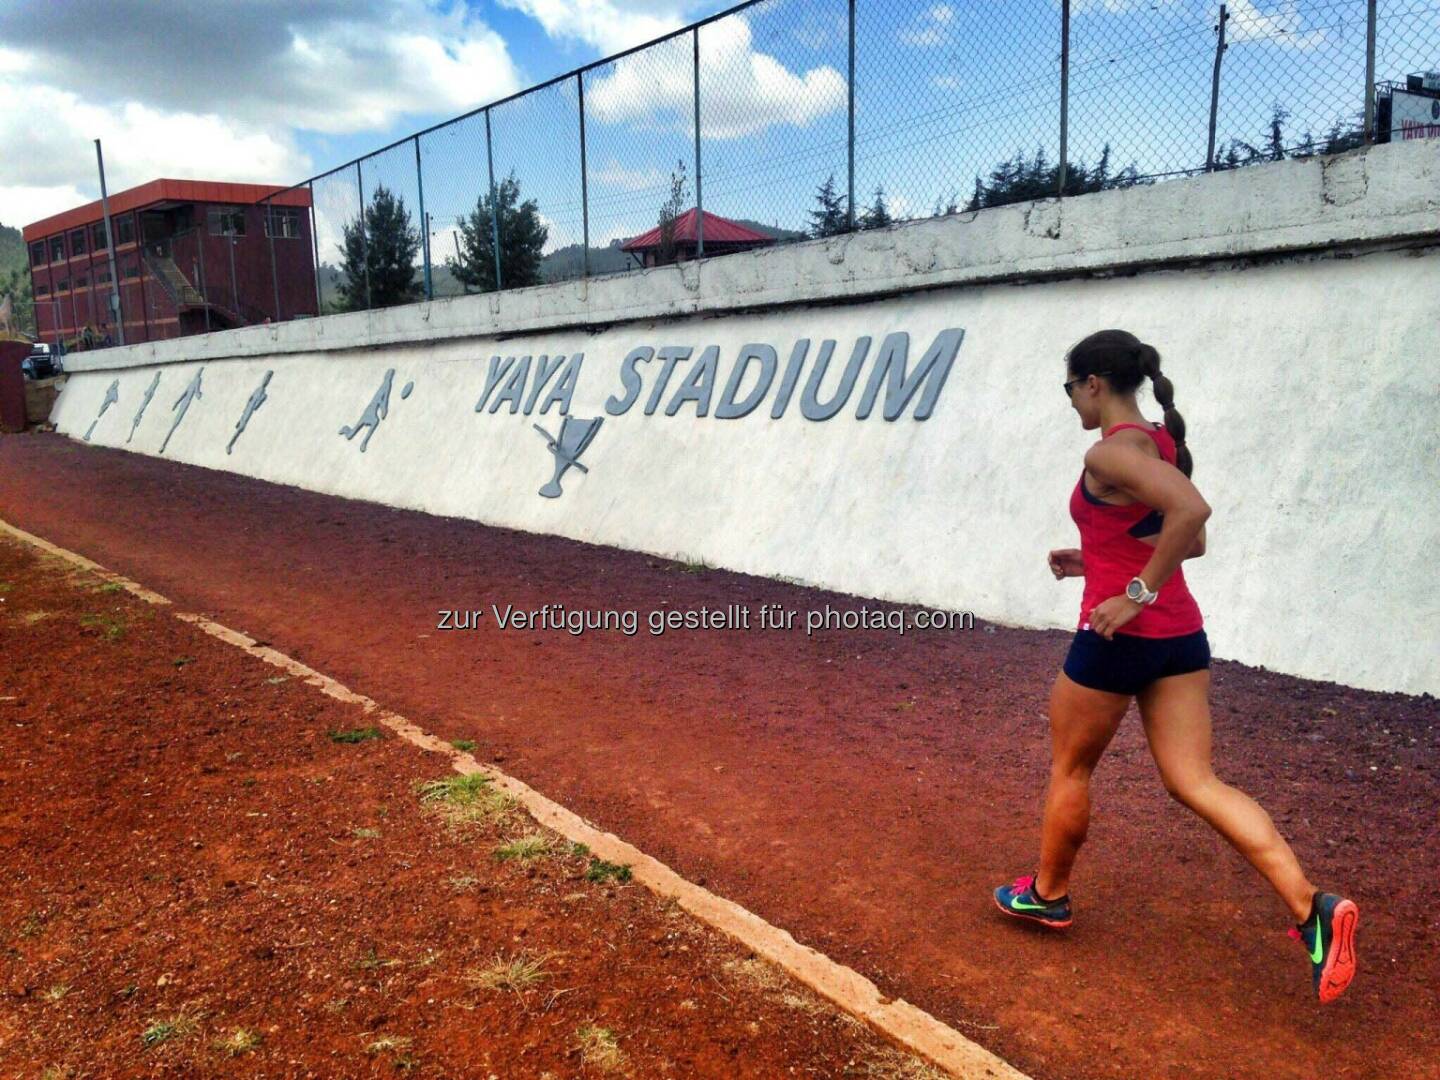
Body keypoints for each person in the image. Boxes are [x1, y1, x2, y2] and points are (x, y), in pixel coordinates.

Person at [992, 329, 1358, 1004]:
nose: (1070, 400)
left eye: (1071, 388)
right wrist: (1094, 562)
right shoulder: (1161, 443)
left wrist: (1131, 595)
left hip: (1119, 638)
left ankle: (1047, 895)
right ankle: (1313, 909)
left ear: (1094, 384)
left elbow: (1193, 513)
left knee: (1071, 766)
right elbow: (1188, 540)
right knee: (1196, 780)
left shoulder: (1108, 450)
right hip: (1180, 639)